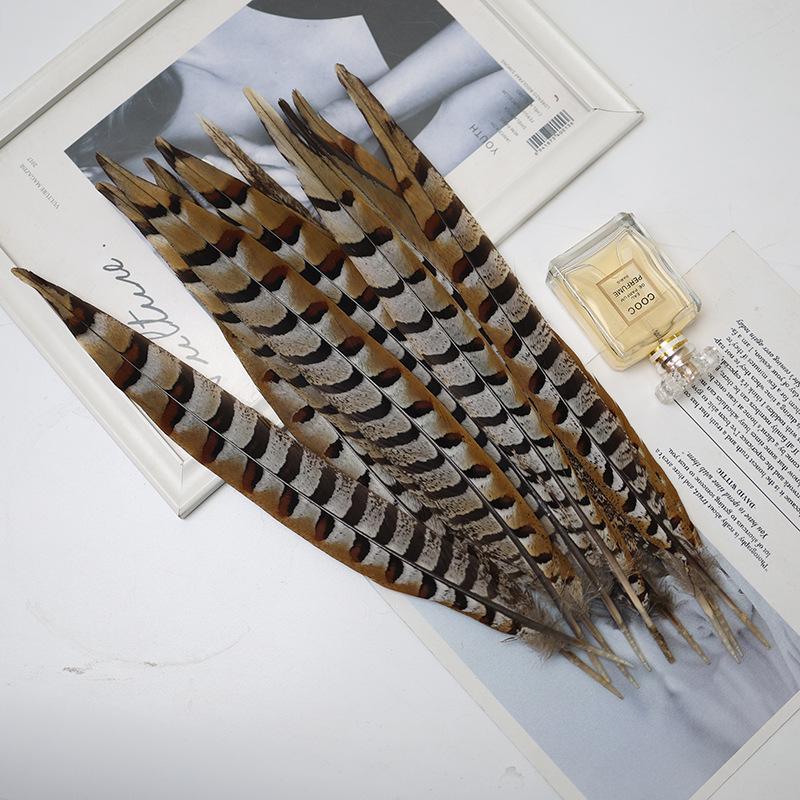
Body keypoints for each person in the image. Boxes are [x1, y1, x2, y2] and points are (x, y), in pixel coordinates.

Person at [68, 2, 531, 195]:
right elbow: (535, 83)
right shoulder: (308, 205)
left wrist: (361, 115)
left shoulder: (173, 28)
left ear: (91, 176)